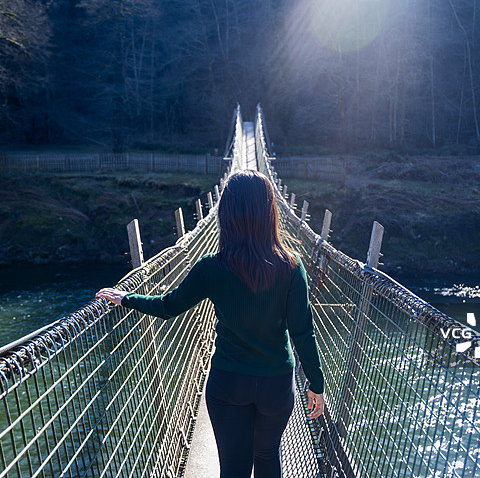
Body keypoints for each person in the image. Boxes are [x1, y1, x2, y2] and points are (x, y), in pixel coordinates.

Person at [96, 169, 325, 478]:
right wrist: (316, 384)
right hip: (276, 384)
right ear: (270, 210)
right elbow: (302, 332)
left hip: (228, 382)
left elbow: (168, 306)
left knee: (234, 468)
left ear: (226, 213)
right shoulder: (292, 266)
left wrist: (127, 298)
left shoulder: (211, 268)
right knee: (268, 456)